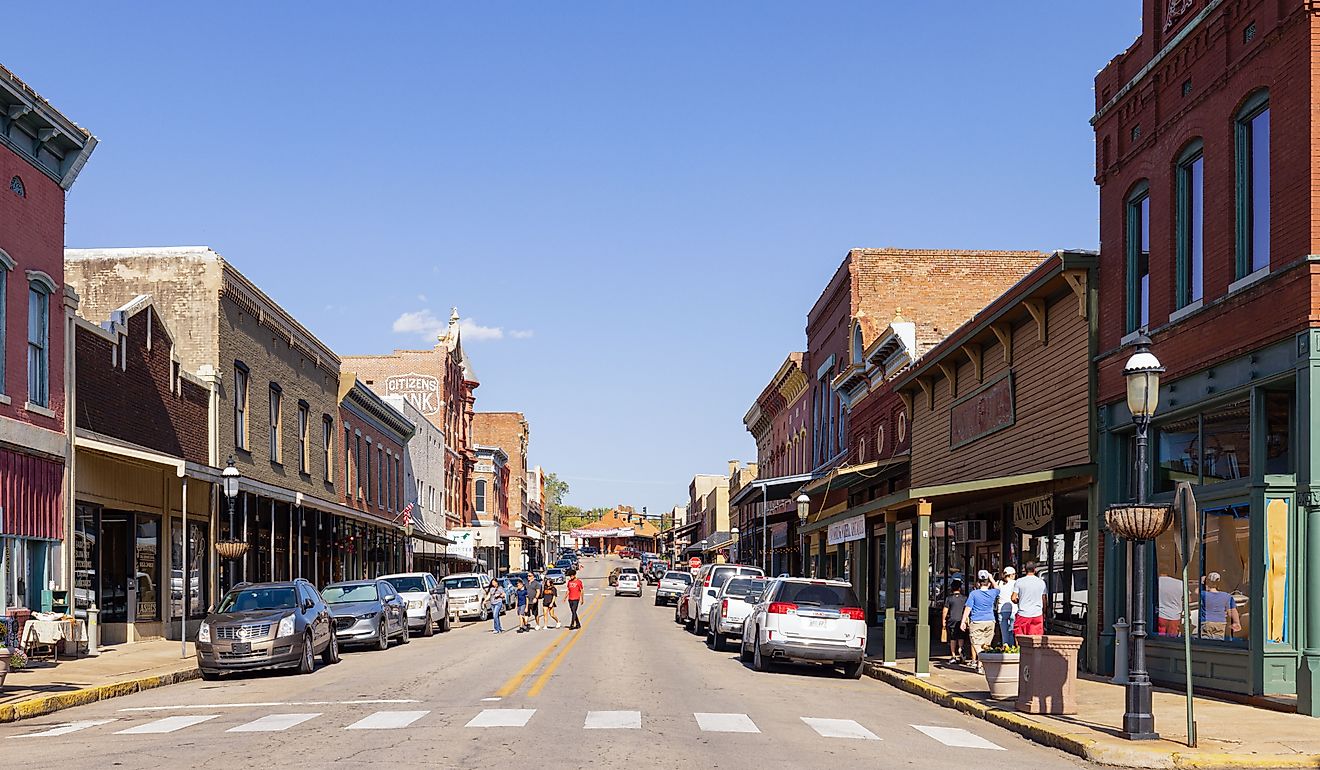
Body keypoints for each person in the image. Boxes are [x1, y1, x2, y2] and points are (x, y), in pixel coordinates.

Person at [960, 571, 999, 672]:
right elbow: (997, 588)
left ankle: (981, 663)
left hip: (977, 621)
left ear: (978, 583)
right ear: (988, 583)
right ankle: (980, 665)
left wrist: (963, 621)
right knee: (986, 645)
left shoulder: (973, 594)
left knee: (977, 645)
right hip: (990, 620)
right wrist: (991, 577)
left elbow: (968, 608)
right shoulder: (992, 592)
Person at [1199, 572, 1242, 640]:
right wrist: (1237, 622)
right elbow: (1232, 610)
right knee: (1218, 642)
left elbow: (1195, 592)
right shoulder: (1227, 596)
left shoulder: (1203, 594)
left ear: (1207, 582)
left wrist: (1201, 583)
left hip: (1206, 622)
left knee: (1206, 643)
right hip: (1220, 623)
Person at [1011, 562, 1048, 638]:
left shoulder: (1019, 581)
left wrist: (1019, 601)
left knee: (1020, 638)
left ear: (1025, 569)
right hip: (1037, 614)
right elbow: (1044, 599)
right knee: (1036, 640)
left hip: (1023, 614)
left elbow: (1013, 598)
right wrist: (1044, 612)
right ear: (1035, 570)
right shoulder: (1041, 582)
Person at [940, 579, 968, 664]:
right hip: (961, 620)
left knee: (953, 638)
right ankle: (961, 651)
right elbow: (967, 609)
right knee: (961, 637)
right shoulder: (964, 598)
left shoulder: (949, 598)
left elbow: (945, 610)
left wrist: (943, 620)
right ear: (960, 588)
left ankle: (953, 656)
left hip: (952, 620)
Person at [1157, 570, 1185, 637]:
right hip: (1175, 617)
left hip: (1161, 615)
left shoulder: (1156, 582)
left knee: (1159, 639)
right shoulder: (1180, 583)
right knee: (1172, 640)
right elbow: (1189, 600)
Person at [996, 566, 1018, 646]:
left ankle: (1005, 649)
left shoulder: (999, 583)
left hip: (1002, 610)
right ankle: (1012, 649)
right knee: (1012, 633)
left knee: (1004, 635)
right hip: (1013, 610)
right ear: (1011, 575)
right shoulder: (1016, 583)